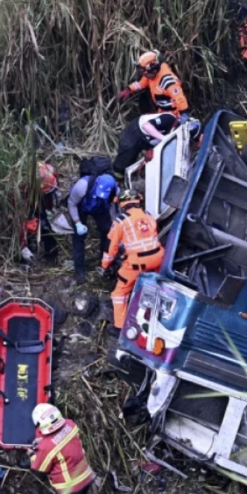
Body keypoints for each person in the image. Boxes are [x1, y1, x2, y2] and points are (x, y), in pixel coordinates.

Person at [102, 190, 164, 333]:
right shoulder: (149, 216)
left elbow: (111, 246)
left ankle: (119, 328)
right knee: (159, 286)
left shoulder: (120, 221)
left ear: (122, 205)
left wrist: (105, 265)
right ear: (138, 201)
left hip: (138, 262)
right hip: (159, 258)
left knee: (119, 294)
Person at [65, 161, 120, 282]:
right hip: (82, 207)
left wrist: (116, 223)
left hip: (100, 208)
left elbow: (114, 208)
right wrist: (77, 222)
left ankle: (104, 262)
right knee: (79, 237)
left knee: (107, 232)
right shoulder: (82, 186)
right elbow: (71, 203)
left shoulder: (115, 190)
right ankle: (80, 271)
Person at [116, 51, 190, 119]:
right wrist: (129, 89)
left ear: (152, 69)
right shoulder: (150, 75)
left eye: (143, 71)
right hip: (162, 112)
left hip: (175, 115)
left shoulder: (167, 81)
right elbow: (141, 83)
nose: (142, 74)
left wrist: (184, 114)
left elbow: (179, 98)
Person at [112, 112, 179, 182]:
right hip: (136, 131)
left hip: (148, 139)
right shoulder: (169, 119)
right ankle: (118, 179)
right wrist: (164, 138)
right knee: (124, 160)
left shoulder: (178, 132)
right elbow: (146, 126)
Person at [21, 162, 63, 265]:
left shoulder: (50, 171)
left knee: (45, 228)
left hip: (42, 203)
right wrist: (22, 245)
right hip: (27, 204)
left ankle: (52, 255)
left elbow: (54, 187)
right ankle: (27, 251)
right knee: (28, 227)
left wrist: (55, 195)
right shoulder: (22, 188)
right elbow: (18, 220)